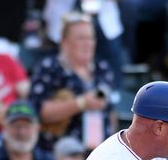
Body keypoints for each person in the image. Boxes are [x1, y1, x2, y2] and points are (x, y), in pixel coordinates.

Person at [28, 12, 117, 150]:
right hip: (60, 155)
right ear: (64, 42)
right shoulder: (49, 68)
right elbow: (38, 111)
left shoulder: (102, 69)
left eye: (90, 38)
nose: (87, 43)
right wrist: (80, 103)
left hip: (98, 153)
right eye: (81, 38)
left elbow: (110, 113)